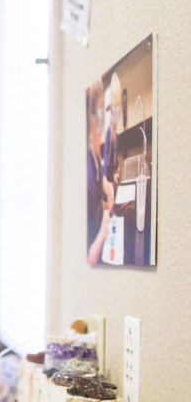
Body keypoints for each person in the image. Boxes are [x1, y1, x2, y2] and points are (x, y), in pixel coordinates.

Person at [87, 78, 113, 265]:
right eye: (102, 110)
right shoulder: (88, 169)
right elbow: (89, 256)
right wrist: (104, 227)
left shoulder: (97, 159)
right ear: (93, 118)